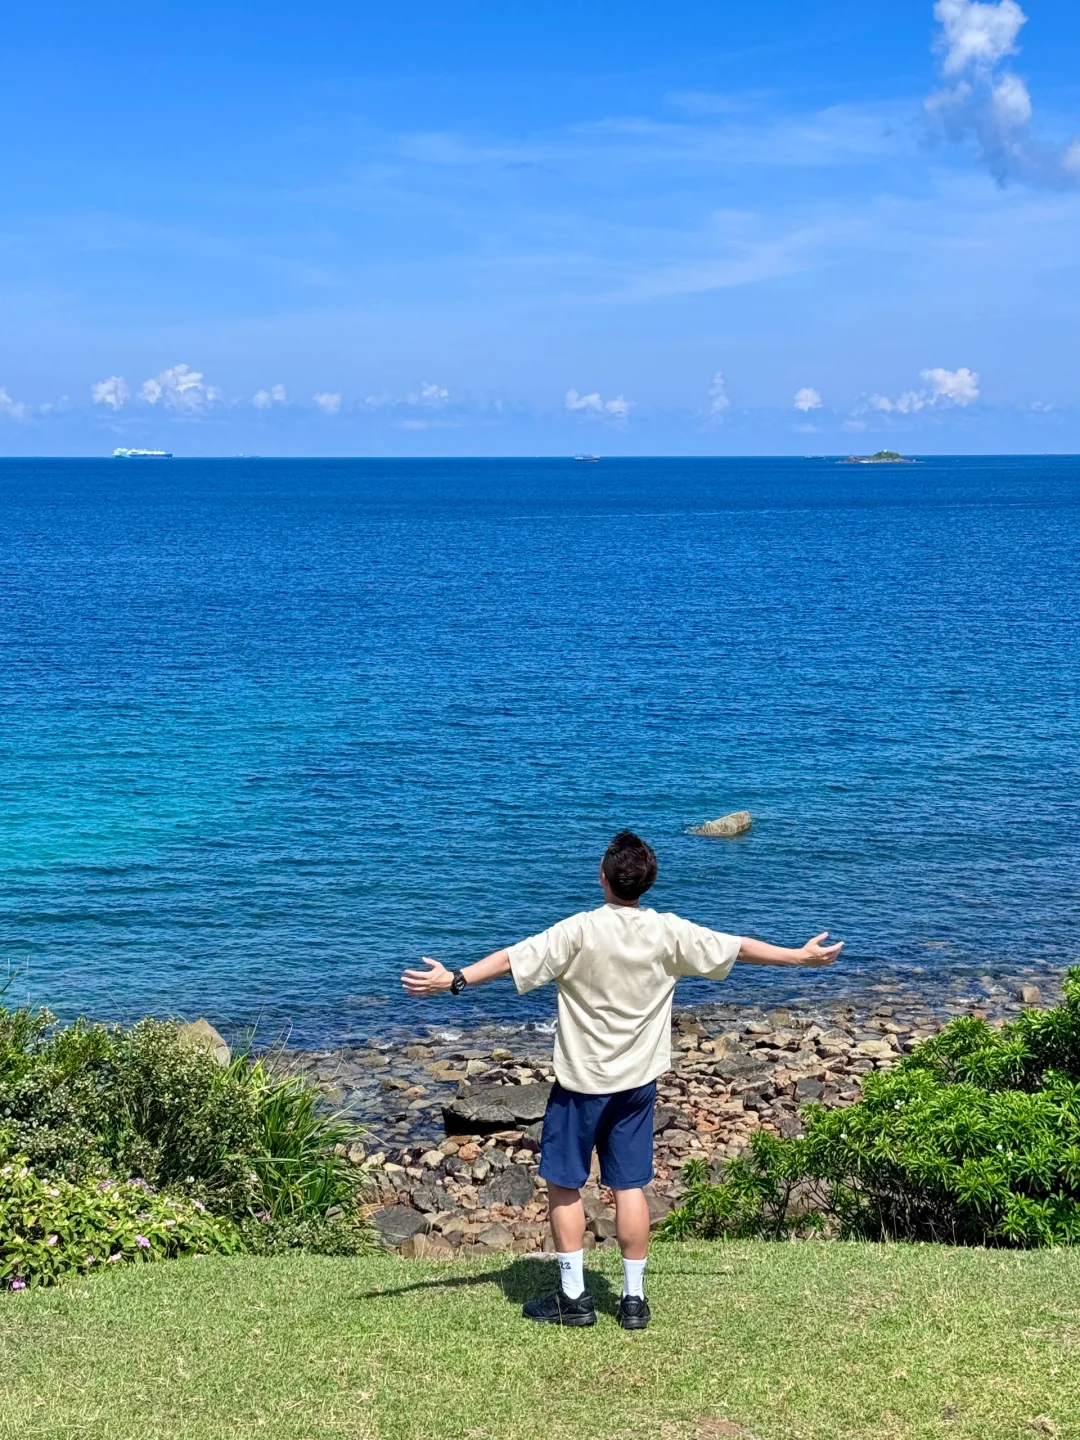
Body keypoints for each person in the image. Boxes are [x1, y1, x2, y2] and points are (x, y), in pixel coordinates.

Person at [401, 830, 842, 1331]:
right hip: (638, 1084)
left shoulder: (580, 930)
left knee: (564, 1185)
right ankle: (632, 1301)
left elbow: (510, 959)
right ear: (646, 884)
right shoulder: (668, 933)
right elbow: (737, 948)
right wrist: (799, 957)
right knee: (629, 1186)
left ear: (603, 878)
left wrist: (453, 979)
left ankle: (574, 1298)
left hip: (582, 1084)